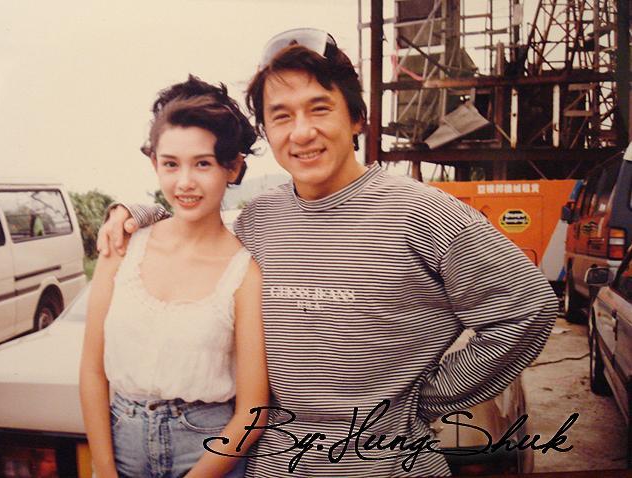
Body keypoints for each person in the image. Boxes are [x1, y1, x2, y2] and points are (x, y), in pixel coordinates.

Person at [99, 29, 558, 477]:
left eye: (319, 108)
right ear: (266, 131)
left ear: (356, 117)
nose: (302, 133)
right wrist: (136, 214)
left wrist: (420, 400)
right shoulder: (261, 218)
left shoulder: (423, 214)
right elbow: (199, 234)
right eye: (281, 116)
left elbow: (529, 308)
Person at [80, 75, 269, 478]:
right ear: (154, 164)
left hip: (207, 451)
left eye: (203, 163)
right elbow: (92, 371)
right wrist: (104, 469)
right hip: (120, 445)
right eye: (170, 164)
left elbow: (254, 410)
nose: (184, 182)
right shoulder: (122, 248)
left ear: (233, 167)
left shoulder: (244, 272)